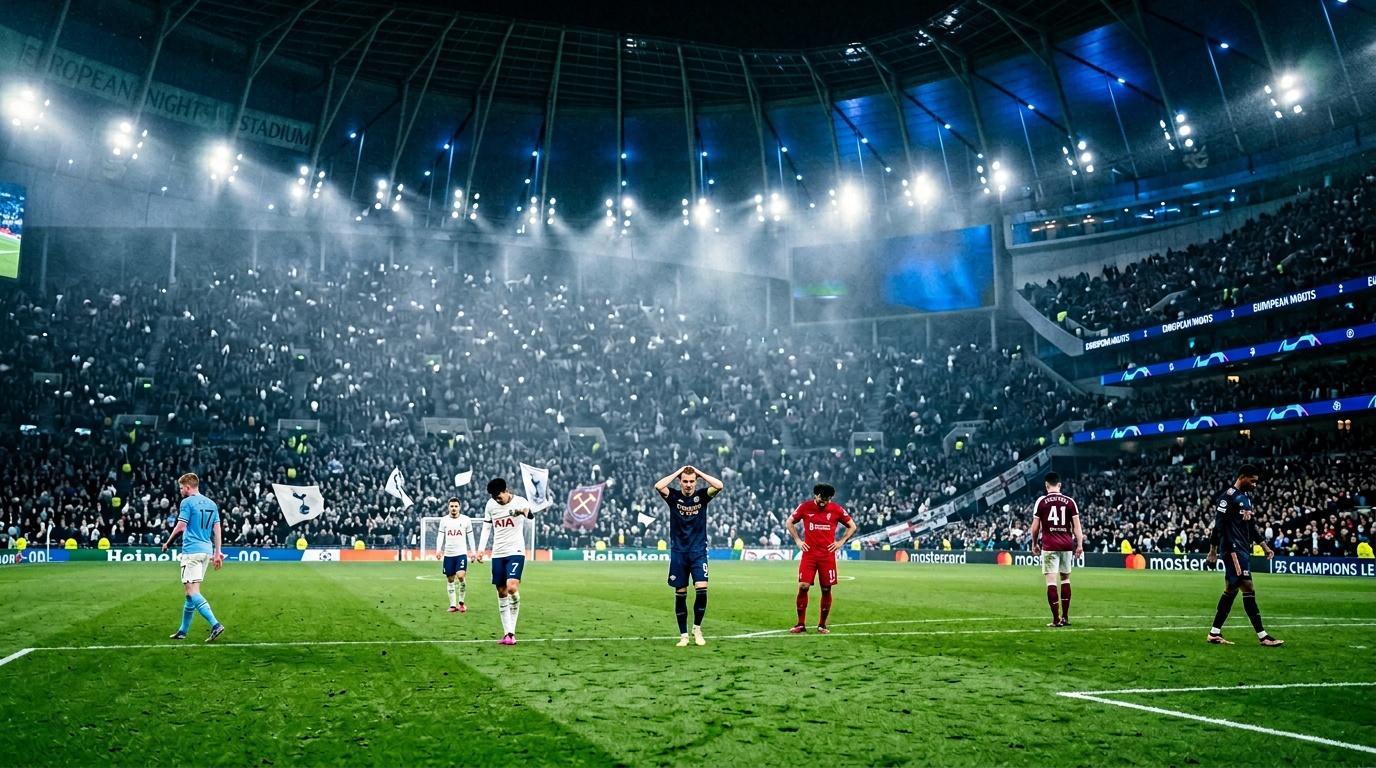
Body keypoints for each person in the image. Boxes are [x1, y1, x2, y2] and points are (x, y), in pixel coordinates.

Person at [1205, 465, 1283, 646]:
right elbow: (1218, 526)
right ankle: (1263, 636)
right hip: (1232, 549)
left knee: (1231, 590)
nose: (1255, 485)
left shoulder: (1246, 499)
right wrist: (1213, 550)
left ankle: (1214, 633)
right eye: (1253, 481)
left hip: (1242, 550)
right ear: (1242, 477)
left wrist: (1264, 546)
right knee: (1248, 587)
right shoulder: (1228, 498)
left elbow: (1251, 527)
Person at [654, 465, 724, 647]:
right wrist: (678, 471)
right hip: (679, 552)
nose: (688, 484)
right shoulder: (673, 497)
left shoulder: (702, 496)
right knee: (681, 593)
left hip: (698, 552)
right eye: (685, 481)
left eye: (691, 481)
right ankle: (683, 635)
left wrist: (699, 472)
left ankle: (697, 629)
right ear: (680, 481)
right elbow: (658, 486)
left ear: (696, 481)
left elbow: (719, 485)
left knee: (702, 589)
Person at [160, 473, 226, 643]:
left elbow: (181, 526)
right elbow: (217, 529)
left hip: (191, 552)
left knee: (192, 591)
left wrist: (168, 543)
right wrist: (217, 552)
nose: (180, 491)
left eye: (181, 488)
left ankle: (215, 624)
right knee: (189, 594)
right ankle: (182, 631)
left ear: (188, 487)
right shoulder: (212, 504)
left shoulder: (187, 502)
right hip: (206, 551)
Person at [786, 483, 856, 634]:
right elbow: (789, 522)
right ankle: (800, 624)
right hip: (809, 554)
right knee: (803, 586)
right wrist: (798, 540)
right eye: (821, 498)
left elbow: (852, 526)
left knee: (826, 589)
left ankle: (822, 625)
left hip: (827, 556)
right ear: (816, 495)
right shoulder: (805, 507)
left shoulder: (837, 509)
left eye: (827, 499)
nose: (824, 501)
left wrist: (841, 542)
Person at [477, 478, 533, 645]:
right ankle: (508, 634)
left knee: (511, 587)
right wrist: (480, 550)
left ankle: (512, 631)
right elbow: (487, 528)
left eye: (498, 496)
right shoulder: (490, 505)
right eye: (493, 497)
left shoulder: (520, 501)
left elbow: (530, 514)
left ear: (506, 490)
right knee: (501, 591)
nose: (496, 499)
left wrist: (523, 511)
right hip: (498, 553)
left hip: (516, 551)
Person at [1029, 472, 1083, 628]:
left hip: (1050, 545)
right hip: (1066, 545)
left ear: (1046, 486)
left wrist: (1034, 543)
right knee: (1065, 579)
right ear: (1059, 485)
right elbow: (1077, 527)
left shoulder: (1041, 501)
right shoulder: (1070, 502)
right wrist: (1079, 544)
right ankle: (1065, 617)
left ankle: (1056, 619)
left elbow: (1035, 528)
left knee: (1051, 582)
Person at [435, 497, 474, 613]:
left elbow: (470, 537)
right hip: (448, 554)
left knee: (461, 576)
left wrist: (473, 552)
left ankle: (461, 602)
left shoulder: (466, 520)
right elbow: (440, 536)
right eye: (451, 506)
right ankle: (453, 605)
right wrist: (438, 550)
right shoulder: (444, 520)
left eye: (456, 506)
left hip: (461, 553)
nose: (453, 508)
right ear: (448, 507)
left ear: (459, 507)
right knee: (450, 579)